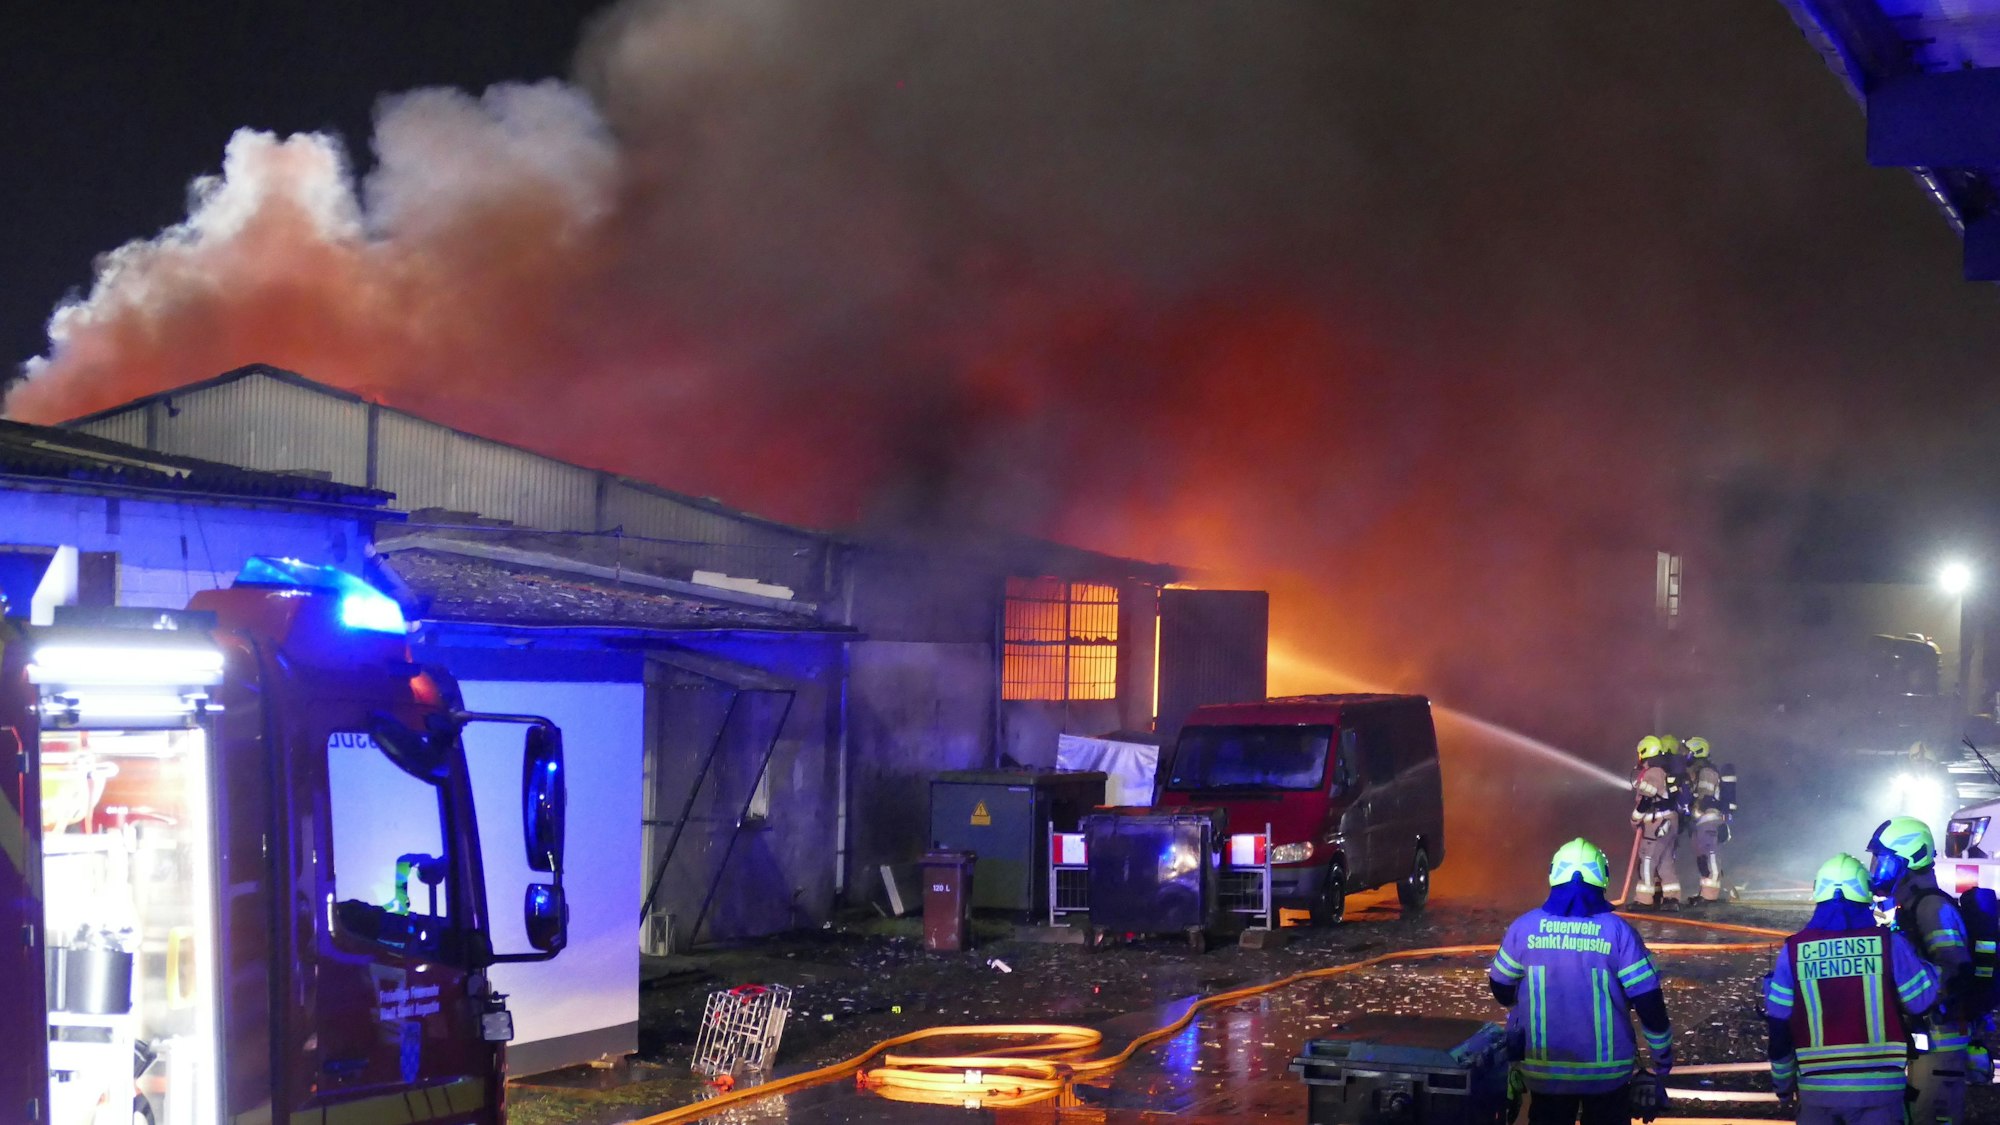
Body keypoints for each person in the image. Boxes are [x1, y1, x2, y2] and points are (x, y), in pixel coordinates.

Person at [1490, 838, 1674, 1124]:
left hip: (1543, 1072)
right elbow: (1649, 1002)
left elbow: (1501, 988)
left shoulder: (1524, 928)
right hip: (1608, 1076)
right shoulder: (1619, 932)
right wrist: (1661, 1058)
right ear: (1602, 878)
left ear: (1554, 874)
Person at [1765, 853, 1943, 1125]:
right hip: (1880, 1092)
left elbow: (1778, 1026)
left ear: (1818, 892)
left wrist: (1782, 1084)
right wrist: (1930, 964)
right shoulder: (1889, 944)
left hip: (1817, 1093)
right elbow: (1921, 1000)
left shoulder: (1793, 950)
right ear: (1865, 895)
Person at [1866, 816, 1972, 1125]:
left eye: (1885, 860)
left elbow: (1955, 970)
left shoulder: (1933, 909)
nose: (1877, 868)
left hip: (1940, 1041)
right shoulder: (1910, 907)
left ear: (1910, 859)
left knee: (1929, 1117)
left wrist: (1911, 989)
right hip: (1921, 1039)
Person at [1630, 737, 1682, 910]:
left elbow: (1647, 798)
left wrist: (1635, 817)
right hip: (1670, 821)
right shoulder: (1664, 770)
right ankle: (1671, 900)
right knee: (1665, 862)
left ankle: (1644, 901)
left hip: (1656, 823)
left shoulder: (1653, 772)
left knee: (1647, 859)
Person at [1683, 737, 1729, 906]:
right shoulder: (1699, 772)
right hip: (1702, 823)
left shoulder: (1707, 772)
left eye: (1688, 752)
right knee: (1703, 860)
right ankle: (1705, 894)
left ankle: (1710, 898)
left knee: (1711, 858)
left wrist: (1692, 812)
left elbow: (1704, 798)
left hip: (1709, 821)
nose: (1685, 756)